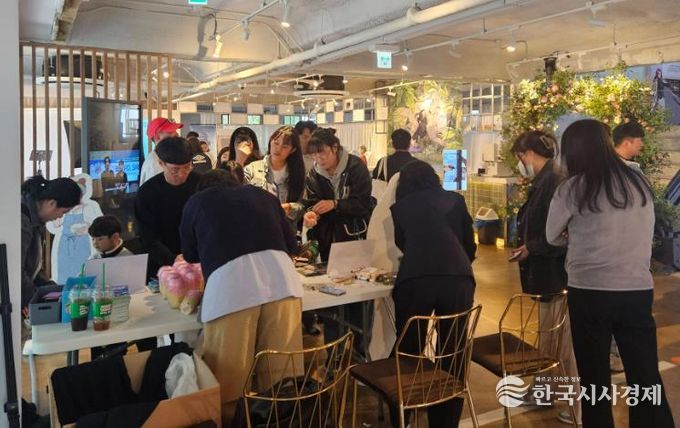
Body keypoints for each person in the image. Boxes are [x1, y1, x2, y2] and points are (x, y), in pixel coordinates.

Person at [547, 119, 675, 428]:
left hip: (589, 292)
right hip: (636, 289)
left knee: (594, 378)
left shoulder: (573, 188)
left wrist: (576, 235)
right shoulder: (638, 182)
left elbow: (552, 235)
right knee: (644, 374)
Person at [180, 168, 303, 425]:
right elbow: (292, 244)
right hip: (282, 283)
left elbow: (190, 254)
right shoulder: (264, 196)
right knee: (282, 377)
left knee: (229, 382)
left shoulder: (197, 202)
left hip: (231, 289)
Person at [389, 160, 476, 428]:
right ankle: (445, 420)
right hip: (458, 278)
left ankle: (405, 413)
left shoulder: (400, 207)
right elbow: (468, 244)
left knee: (409, 348)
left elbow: (403, 244)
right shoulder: (456, 200)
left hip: (416, 279)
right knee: (453, 349)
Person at [509, 131, 580, 424]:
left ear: (528, 154)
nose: (520, 164)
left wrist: (532, 247)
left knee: (562, 344)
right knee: (549, 341)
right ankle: (544, 391)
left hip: (556, 275)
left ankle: (577, 407)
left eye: (519, 157)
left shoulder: (554, 182)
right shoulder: (549, 179)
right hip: (548, 273)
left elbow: (559, 235)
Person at [302, 128, 372, 261]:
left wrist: (335, 204)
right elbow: (312, 202)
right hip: (325, 237)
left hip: (354, 235)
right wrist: (311, 213)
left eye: (322, 153)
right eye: (314, 155)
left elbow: (363, 203)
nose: (319, 159)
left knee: (355, 271)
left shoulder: (356, 167)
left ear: (334, 147)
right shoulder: (313, 174)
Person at [134, 137, 199, 278]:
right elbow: (147, 236)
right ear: (161, 163)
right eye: (175, 169)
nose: (182, 174)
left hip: (197, 262)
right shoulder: (147, 192)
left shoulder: (201, 184)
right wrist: (172, 259)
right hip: (162, 266)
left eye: (187, 167)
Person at [21, 176, 81, 308]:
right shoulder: (22, 222)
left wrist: (54, 290)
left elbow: (33, 268)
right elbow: (16, 271)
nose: (60, 217)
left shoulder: (35, 222)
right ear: (52, 203)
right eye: (63, 212)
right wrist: (36, 299)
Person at [88, 215, 133, 360]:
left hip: (122, 312)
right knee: (96, 353)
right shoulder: (93, 259)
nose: (95, 243)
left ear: (115, 237)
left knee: (117, 353)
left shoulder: (128, 258)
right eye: (93, 239)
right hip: (99, 312)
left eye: (100, 239)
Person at [244, 126, 306, 231]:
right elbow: (237, 193)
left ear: (292, 150)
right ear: (270, 142)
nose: (278, 149)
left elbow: (304, 206)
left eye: (285, 146)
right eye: (276, 143)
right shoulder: (252, 168)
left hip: (284, 231)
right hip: (256, 229)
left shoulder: (297, 173)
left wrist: (290, 207)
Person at [139, 117, 183, 185]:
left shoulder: (163, 157)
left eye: (175, 130)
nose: (176, 134)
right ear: (157, 137)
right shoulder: (155, 164)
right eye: (170, 132)